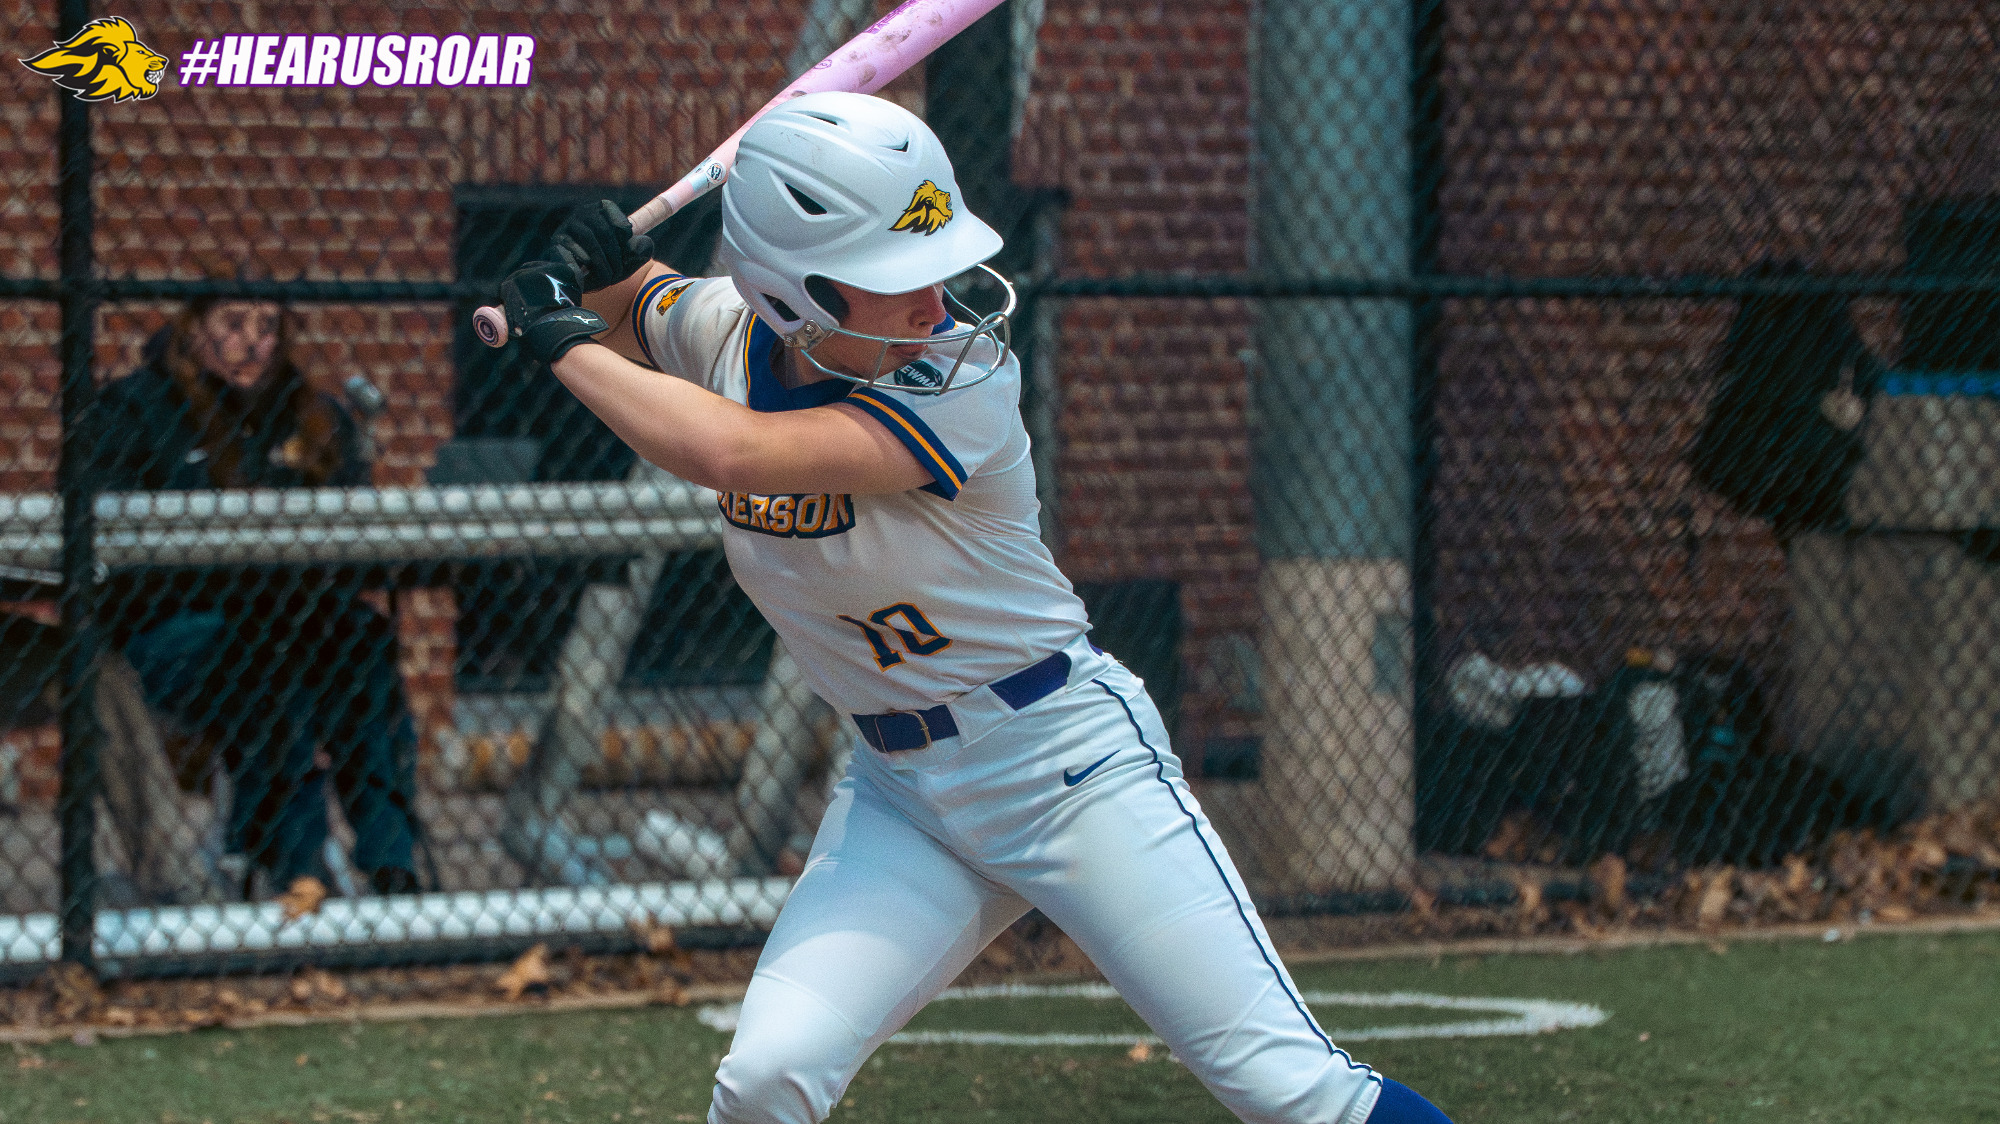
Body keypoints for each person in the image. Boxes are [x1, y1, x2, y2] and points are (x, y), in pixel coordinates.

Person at [498, 93, 1454, 1124]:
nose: (932, 297)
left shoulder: (963, 379)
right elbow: (648, 297)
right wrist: (588, 262)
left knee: (1289, 1090)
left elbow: (734, 452)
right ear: (790, 292)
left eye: (934, 261)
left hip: (1063, 765)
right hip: (900, 791)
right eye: (895, 274)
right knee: (766, 1077)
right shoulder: (726, 332)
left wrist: (557, 330)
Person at [93, 296, 423, 897]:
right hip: (178, 632)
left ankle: (392, 861)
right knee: (268, 654)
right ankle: (294, 866)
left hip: (295, 620)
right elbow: (113, 553)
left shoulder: (308, 416)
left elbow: (353, 537)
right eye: (235, 324)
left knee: (364, 638)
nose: (254, 342)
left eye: (268, 327)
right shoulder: (137, 410)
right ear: (195, 332)